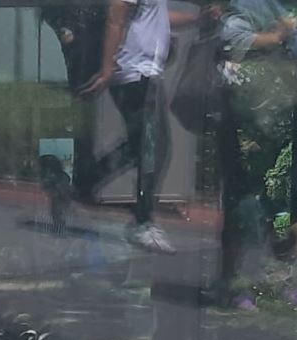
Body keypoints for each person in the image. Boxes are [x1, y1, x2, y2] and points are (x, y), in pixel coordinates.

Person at [78, 0, 215, 253]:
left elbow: (158, 17)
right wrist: (108, 69)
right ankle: (143, 222)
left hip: (142, 74)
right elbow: (116, 15)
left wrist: (196, 20)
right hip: (135, 73)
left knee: (142, 145)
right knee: (155, 147)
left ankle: (85, 181)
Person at [218, 0, 297, 305]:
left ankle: (281, 281)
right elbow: (231, 40)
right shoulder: (249, 6)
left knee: (283, 204)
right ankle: (239, 285)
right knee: (248, 202)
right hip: (252, 116)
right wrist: (277, 36)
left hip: (288, 115)